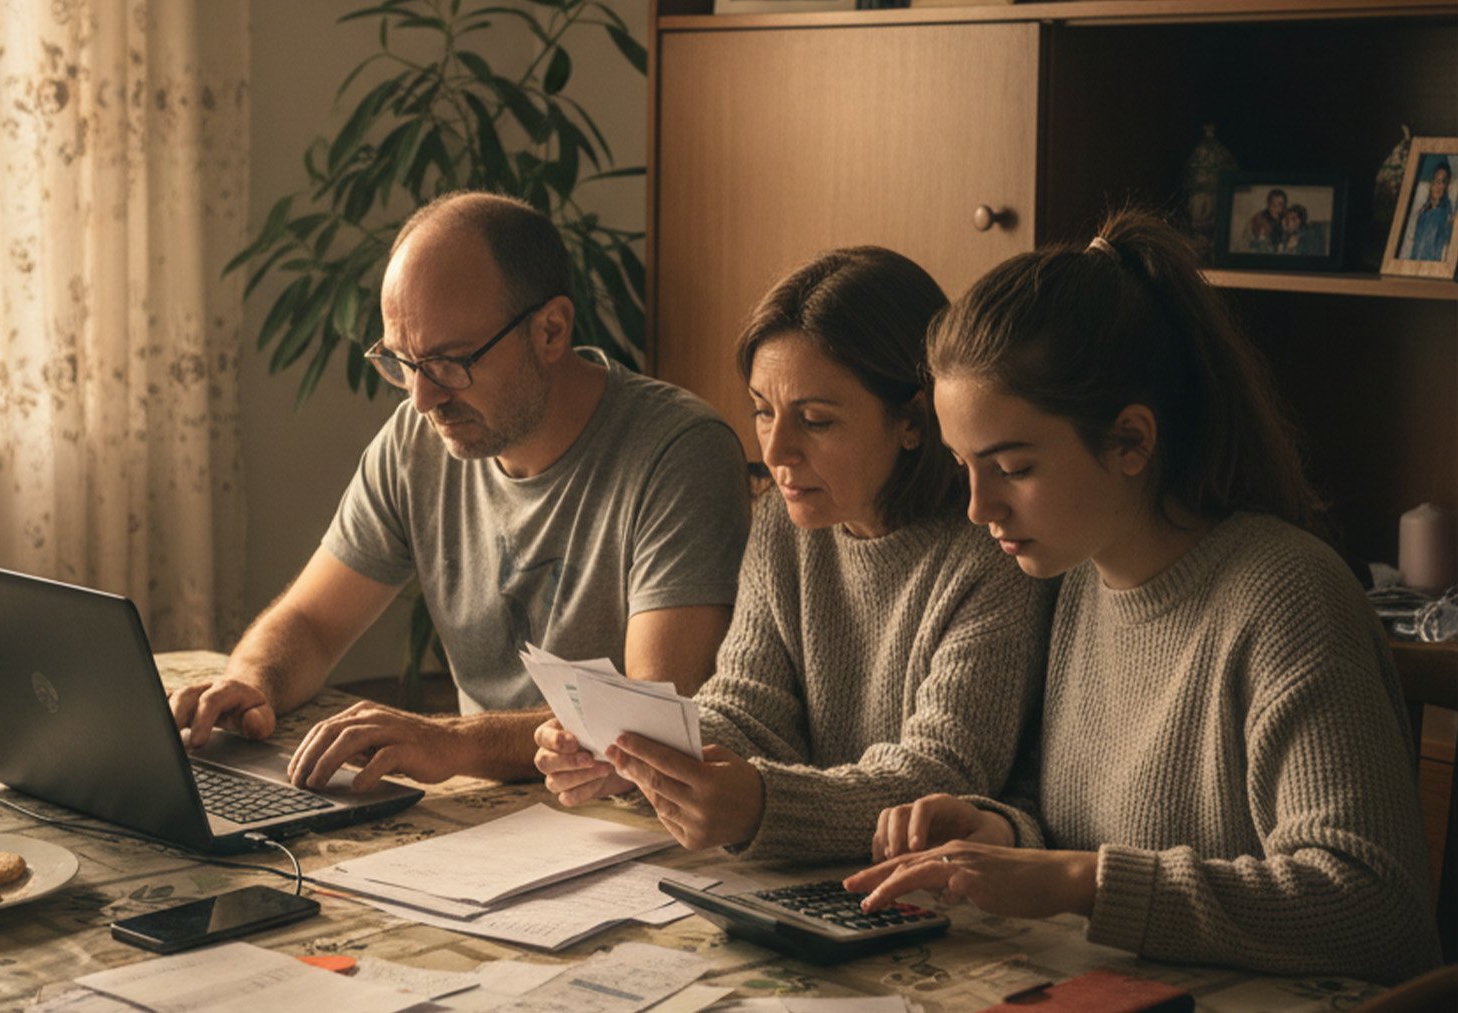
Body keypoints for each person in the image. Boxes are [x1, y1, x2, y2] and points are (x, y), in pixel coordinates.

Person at [846, 211, 1440, 983]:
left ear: (1131, 439)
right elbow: (1081, 828)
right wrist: (1003, 833)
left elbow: (1373, 906)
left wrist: (1081, 880)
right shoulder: (1078, 581)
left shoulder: (1288, 595)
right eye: (965, 466)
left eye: (1013, 468)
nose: (978, 507)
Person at [169, 191, 750, 790]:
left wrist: (454, 742)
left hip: (621, 815)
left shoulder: (679, 452)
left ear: (551, 331)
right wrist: (251, 683)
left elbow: (651, 717)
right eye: (402, 362)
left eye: (450, 362)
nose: (423, 399)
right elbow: (312, 623)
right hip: (485, 810)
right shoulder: (415, 442)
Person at [533, 248, 1051, 862]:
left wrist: (761, 806)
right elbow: (749, 709)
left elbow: (942, 778)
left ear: (914, 420)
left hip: (948, 885)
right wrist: (633, 755)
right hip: (822, 873)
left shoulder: (995, 549)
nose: (776, 450)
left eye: (815, 420)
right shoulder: (785, 523)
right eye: (762, 410)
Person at [1407, 159, 1453, 262]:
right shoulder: (1422, 212)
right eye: (1436, 180)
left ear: (1446, 186)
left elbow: (1446, 243)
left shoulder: (1446, 211)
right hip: (1414, 262)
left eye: (1442, 181)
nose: (1438, 184)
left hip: (1431, 264)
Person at [1246, 187, 1287, 252]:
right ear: (1268, 203)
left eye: (1280, 204)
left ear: (1284, 206)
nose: (1276, 207)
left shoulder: (1284, 218)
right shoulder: (1259, 218)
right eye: (1273, 203)